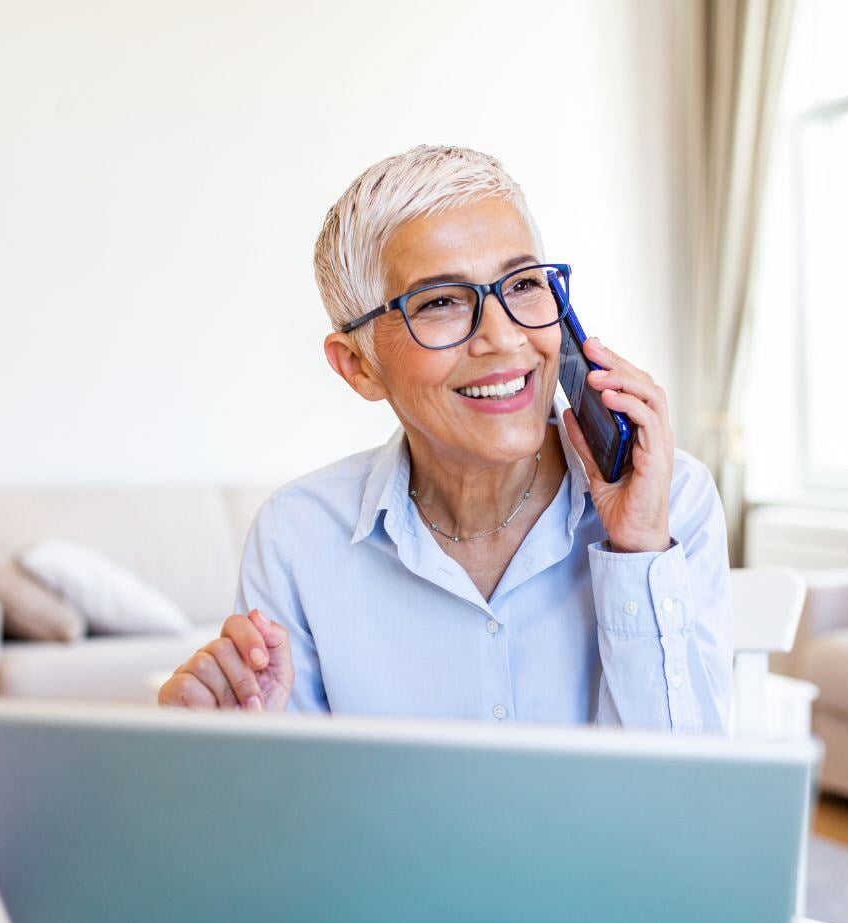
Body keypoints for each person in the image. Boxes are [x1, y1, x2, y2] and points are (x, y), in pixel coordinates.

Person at [158, 145, 733, 732]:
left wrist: (639, 552)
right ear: (359, 366)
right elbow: (294, 808)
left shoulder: (671, 499)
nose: (505, 338)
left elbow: (693, 800)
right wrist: (226, 751)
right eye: (439, 302)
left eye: (524, 284)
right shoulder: (297, 537)